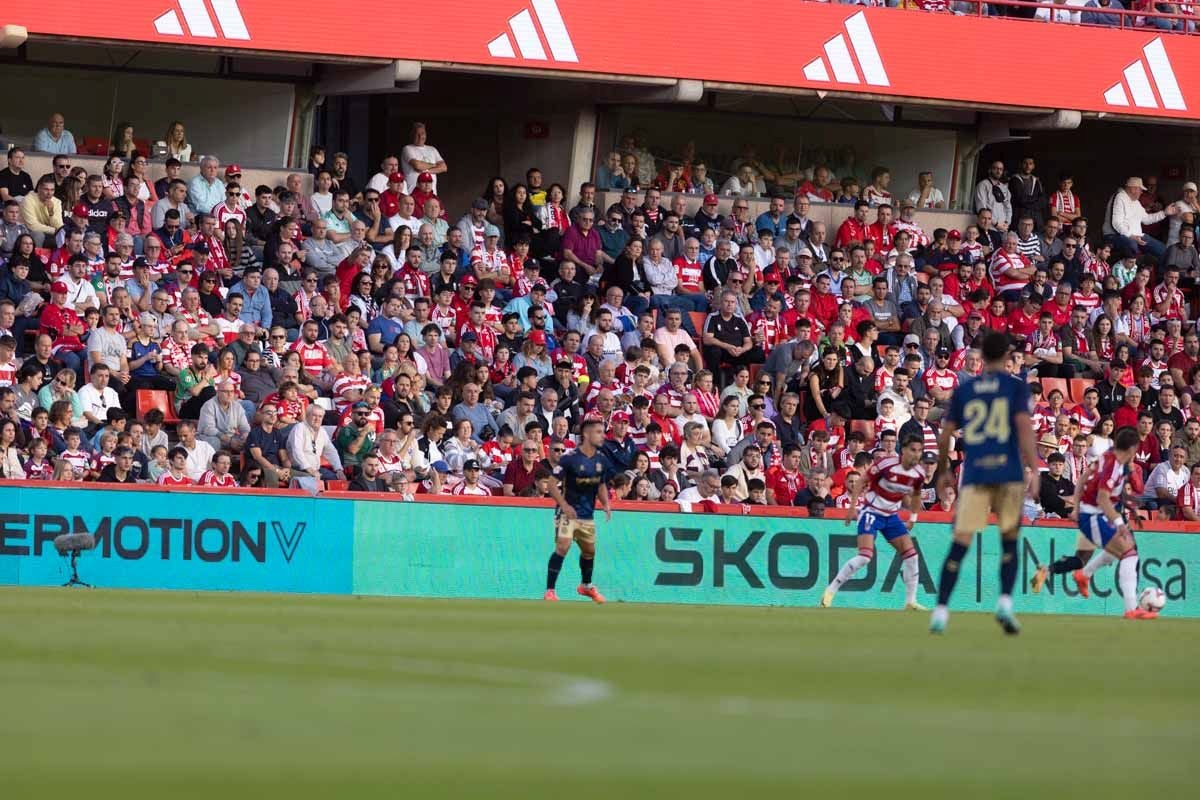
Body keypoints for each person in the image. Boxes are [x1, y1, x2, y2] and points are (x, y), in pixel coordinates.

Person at [931, 331, 1040, 635]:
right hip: (1009, 474)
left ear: (982, 358)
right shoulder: (1015, 388)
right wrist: (1035, 469)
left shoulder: (966, 389)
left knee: (961, 542)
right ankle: (1005, 602)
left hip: (976, 473)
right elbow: (1024, 428)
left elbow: (946, 433)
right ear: (1006, 356)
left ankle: (940, 610)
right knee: (1008, 541)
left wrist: (943, 470)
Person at [822, 435, 927, 611]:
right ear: (903, 451)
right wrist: (852, 507)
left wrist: (913, 517)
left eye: (919, 450)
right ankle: (830, 591)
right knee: (865, 556)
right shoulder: (887, 464)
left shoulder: (918, 474)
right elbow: (862, 480)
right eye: (912, 450)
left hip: (892, 516)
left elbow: (916, 496)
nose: (916, 454)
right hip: (871, 512)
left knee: (912, 556)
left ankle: (910, 601)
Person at [1067, 427, 1159, 619]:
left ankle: (1084, 574)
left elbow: (1084, 478)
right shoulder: (1113, 466)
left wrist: (1077, 506)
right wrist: (1119, 523)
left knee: (1121, 550)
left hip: (1095, 514)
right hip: (1093, 516)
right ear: (1133, 449)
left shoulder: (1107, 455)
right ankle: (1131, 609)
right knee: (1129, 555)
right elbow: (1102, 498)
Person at [544, 417, 612, 603]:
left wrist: (605, 503)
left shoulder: (601, 460)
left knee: (589, 551)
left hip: (587, 514)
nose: (602, 436)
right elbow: (551, 485)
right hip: (567, 513)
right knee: (563, 546)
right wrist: (564, 505)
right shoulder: (569, 459)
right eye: (598, 432)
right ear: (586, 434)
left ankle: (586, 585)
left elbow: (601, 484)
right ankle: (550, 590)